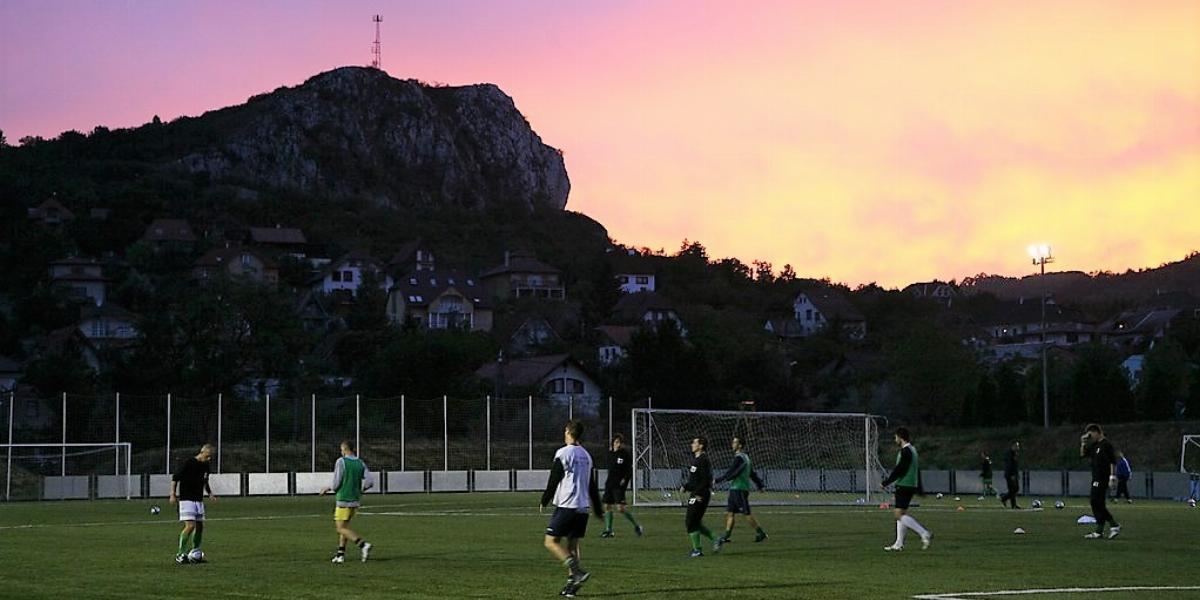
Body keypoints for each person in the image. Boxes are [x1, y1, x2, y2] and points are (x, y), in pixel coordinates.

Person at [540, 420, 603, 598]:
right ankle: (572, 586)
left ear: (568, 431)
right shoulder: (587, 456)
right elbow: (592, 485)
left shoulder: (563, 453)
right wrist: (598, 509)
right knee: (573, 545)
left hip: (567, 505)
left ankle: (577, 572)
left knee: (550, 542)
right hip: (582, 508)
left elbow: (554, 478)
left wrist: (545, 499)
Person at [319, 440, 374, 563]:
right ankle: (340, 554)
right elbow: (370, 482)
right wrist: (361, 489)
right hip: (355, 500)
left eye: (341, 449)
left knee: (340, 528)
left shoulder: (341, 461)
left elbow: (336, 482)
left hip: (343, 499)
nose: (341, 452)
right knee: (345, 527)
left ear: (345, 449)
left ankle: (363, 545)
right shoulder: (360, 462)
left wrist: (327, 488)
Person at [880, 427, 932, 551]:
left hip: (904, 485)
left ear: (900, 437)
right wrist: (919, 488)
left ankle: (924, 533)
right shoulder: (913, 450)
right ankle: (899, 543)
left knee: (898, 514)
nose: (895, 439)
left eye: (896, 437)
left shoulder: (906, 451)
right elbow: (916, 470)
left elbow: (900, 469)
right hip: (910, 485)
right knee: (901, 513)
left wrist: (886, 482)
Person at [712, 436, 767, 552]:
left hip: (739, 489)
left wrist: (717, 480)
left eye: (735, 442)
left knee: (746, 513)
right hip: (735, 489)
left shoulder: (739, 458)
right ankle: (726, 535)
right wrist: (760, 485)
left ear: (740, 445)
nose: (732, 444)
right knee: (730, 513)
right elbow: (752, 474)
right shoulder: (746, 458)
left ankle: (760, 533)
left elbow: (731, 472)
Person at [170, 443, 217, 564]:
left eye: (210, 457)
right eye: (208, 456)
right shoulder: (189, 463)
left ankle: (195, 552)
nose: (209, 459)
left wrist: (210, 493)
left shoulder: (206, 466)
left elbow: (205, 481)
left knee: (200, 527)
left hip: (198, 500)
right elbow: (175, 478)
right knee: (190, 526)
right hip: (187, 499)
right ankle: (180, 554)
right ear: (202, 452)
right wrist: (172, 494)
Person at [1081, 424, 1121, 539]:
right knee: (1096, 503)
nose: (1090, 436)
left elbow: (1112, 461)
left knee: (1096, 501)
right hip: (1095, 477)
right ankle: (1099, 531)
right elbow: (1083, 454)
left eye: (1091, 434)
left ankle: (1114, 525)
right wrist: (1083, 442)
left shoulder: (1106, 445)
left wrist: (1112, 477)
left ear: (1097, 432)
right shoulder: (1095, 445)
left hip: (1103, 477)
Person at [600, 434, 644, 538]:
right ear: (613, 443)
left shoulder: (624, 455)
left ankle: (637, 526)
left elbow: (629, 471)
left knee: (620, 508)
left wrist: (624, 480)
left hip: (619, 486)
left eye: (620, 442)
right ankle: (609, 530)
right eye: (616, 442)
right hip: (609, 484)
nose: (618, 444)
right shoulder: (610, 454)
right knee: (607, 506)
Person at [680, 436, 717, 557]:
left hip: (700, 495)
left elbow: (706, 480)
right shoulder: (696, 460)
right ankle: (716, 539)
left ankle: (698, 550)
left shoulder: (703, 460)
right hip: (696, 493)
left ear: (700, 446)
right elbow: (695, 480)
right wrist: (686, 486)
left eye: (694, 442)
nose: (692, 444)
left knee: (690, 521)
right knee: (695, 522)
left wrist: (697, 493)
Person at [1000, 441, 1021, 509]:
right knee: (1012, 489)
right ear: (1013, 446)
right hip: (1010, 474)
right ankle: (1012, 504)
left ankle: (1004, 498)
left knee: (1015, 489)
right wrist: (1012, 474)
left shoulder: (1015, 453)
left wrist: (1016, 474)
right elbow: (1009, 465)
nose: (1018, 447)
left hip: (1014, 474)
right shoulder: (1009, 454)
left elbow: (1015, 465)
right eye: (1016, 446)